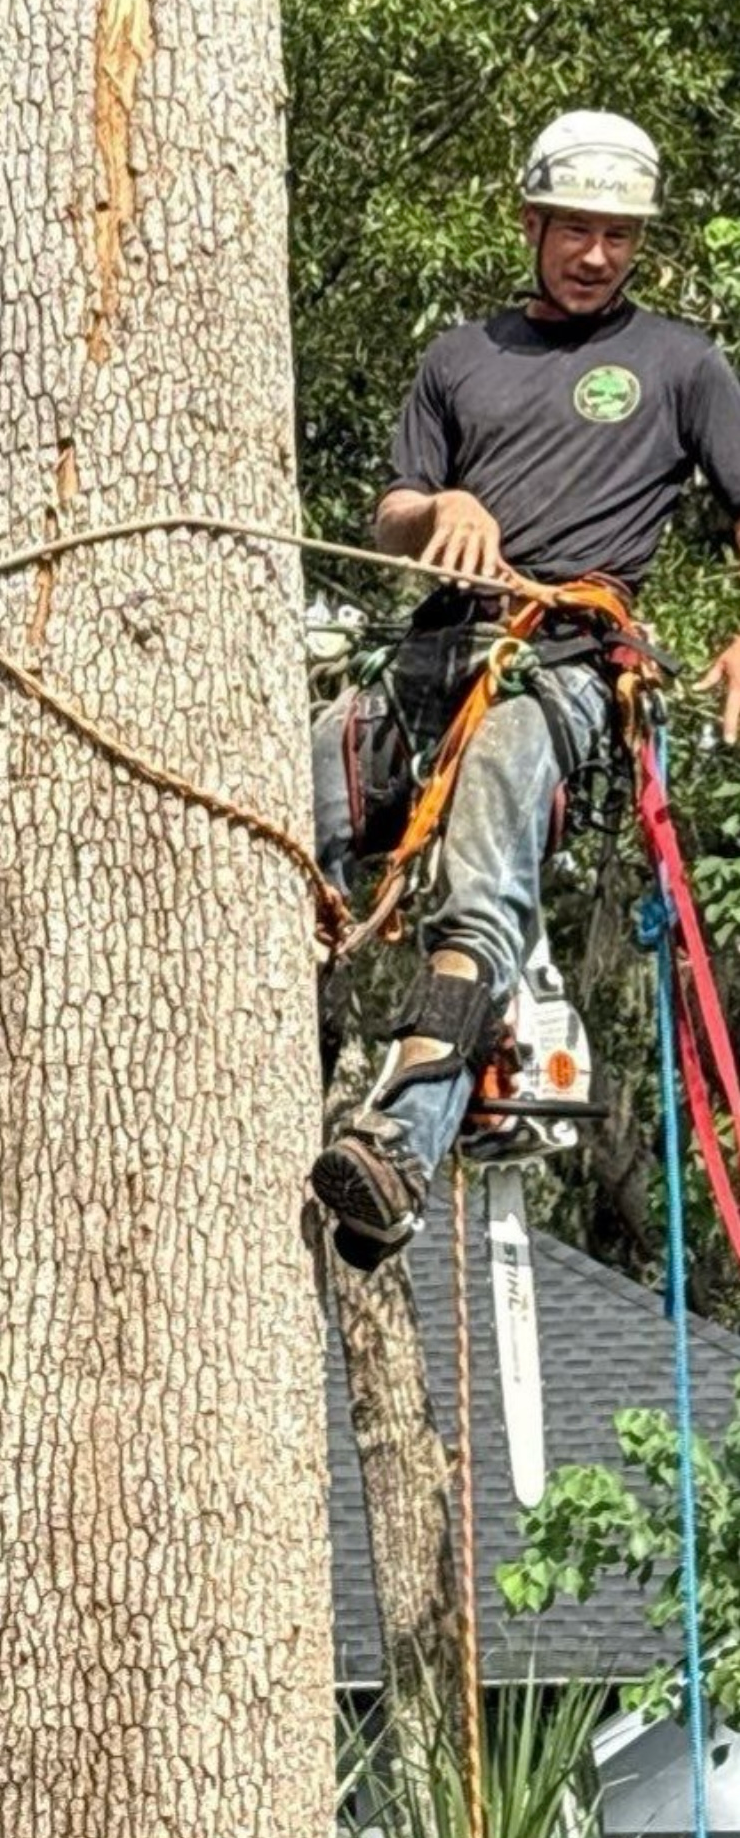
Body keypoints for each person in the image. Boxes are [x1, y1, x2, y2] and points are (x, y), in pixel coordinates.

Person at [310, 109, 740, 1272]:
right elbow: (396, 507)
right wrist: (439, 508)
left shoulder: (679, 366)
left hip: (555, 666)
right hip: (428, 654)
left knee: (481, 869)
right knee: (281, 803)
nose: (595, 255)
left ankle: (395, 1149)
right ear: (531, 223)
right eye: (574, 231)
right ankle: (282, 1055)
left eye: (617, 236)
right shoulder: (461, 357)